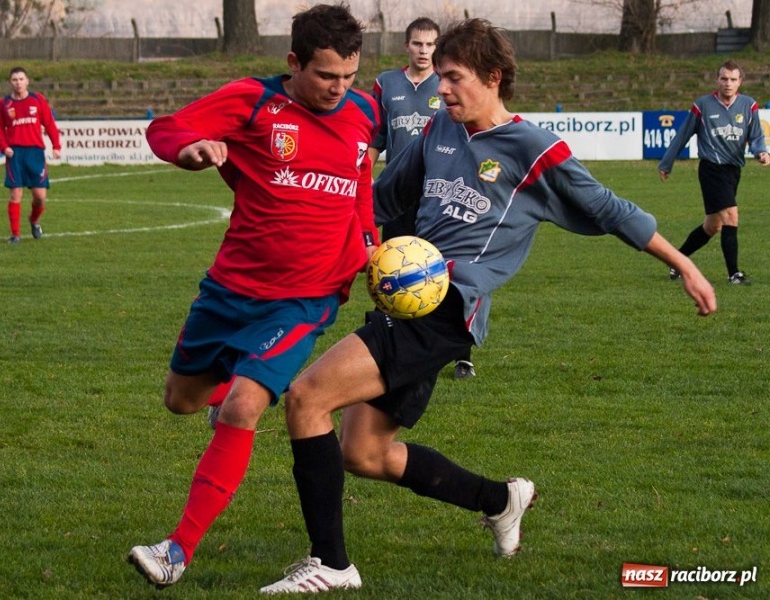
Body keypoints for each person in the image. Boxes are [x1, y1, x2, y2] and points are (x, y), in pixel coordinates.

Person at [261, 18, 717, 594]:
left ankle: (330, 564)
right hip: (401, 300)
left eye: (453, 78)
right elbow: (380, 198)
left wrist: (685, 264)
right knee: (363, 453)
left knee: (306, 399)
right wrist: (305, 214)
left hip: (447, 308)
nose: (441, 88)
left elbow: (609, 208)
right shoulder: (437, 132)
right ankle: (500, 500)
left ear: (493, 78)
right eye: (440, 78)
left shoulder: (533, 148)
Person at [127, 3, 379, 590]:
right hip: (230, 289)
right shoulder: (254, 101)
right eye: (325, 76)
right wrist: (191, 151)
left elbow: (361, 178)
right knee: (181, 402)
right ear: (294, 62)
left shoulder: (363, 112)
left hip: (307, 297)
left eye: (349, 76)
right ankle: (243, 383)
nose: (339, 90)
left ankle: (176, 550)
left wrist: (369, 240)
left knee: (242, 406)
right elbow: (168, 128)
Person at [369, 17, 475, 380]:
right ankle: (392, 339)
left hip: (435, 194)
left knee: (445, 271)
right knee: (391, 267)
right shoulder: (386, 83)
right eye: (418, 44)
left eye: (431, 45)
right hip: (396, 193)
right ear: (407, 45)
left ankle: (461, 353)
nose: (424, 51)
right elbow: (376, 139)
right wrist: (361, 175)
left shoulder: (446, 85)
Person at [658, 59, 770, 285]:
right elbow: (683, 135)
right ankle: (734, 274)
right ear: (717, 80)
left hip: (733, 170)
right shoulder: (703, 105)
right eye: (724, 79)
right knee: (731, 216)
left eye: (733, 79)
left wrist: (761, 153)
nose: (728, 83)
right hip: (711, 169)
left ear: (740, 82)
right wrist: (666, 163)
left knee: (712, 226)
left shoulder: (748, 106)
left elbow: (756, 136)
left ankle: (676, 261)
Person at [0, 66, 62, 244]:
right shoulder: (4, 104)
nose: (18, 83)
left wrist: (56, 146)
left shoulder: (37, 99)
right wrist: (4, 147)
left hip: (35, 153)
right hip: (15, 154)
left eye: (21, 79)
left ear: (27, 81)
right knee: (15, 194)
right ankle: (15, 235)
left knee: (40, 197)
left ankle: (34, 220)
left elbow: (49, 123)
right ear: (10, 82)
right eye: (15, 80)